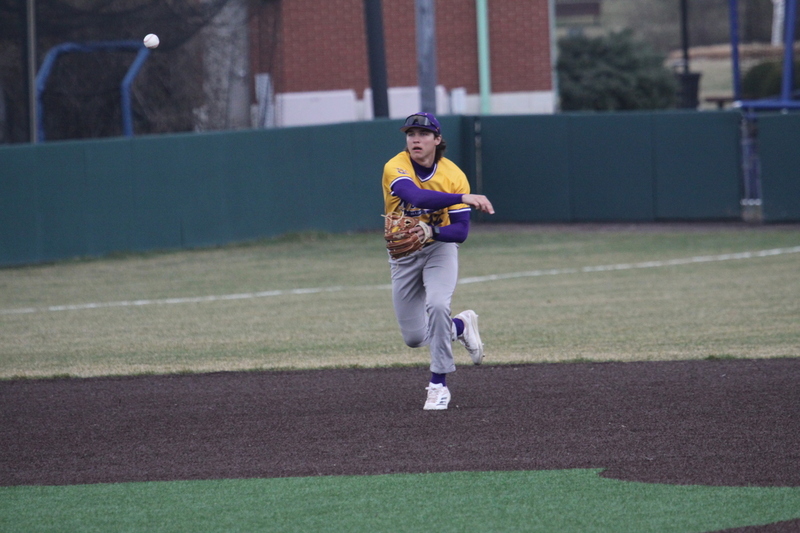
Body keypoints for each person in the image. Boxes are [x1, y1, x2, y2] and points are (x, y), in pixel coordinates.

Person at [381, 112, 495, 410]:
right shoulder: (396, 166)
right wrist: (462, 198)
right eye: (410, 134)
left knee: (438, 305)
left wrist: (432, 231)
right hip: (403, 255)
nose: (415, 139)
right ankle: (460, 327)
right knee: (415, 337)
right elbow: (416, 197)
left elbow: (460, 232)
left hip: (439, 249)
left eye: (423, 134)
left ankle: (438, 385)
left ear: (437, 139)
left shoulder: (453, 175)